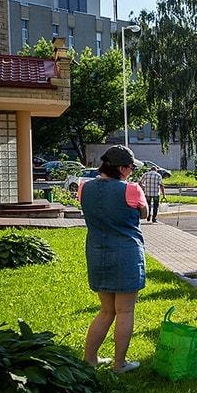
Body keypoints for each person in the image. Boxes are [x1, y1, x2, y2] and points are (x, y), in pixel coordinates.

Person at [78, 145, 149, 373]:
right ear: (120, 168)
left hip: (98, 253)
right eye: (129, 168)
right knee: (125, 311)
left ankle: (90, 359)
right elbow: (144, 213)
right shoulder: (132, 189)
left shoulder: (83, 188)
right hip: (126, 253)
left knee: (106, 311)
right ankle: (120, 364)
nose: (131, 172)